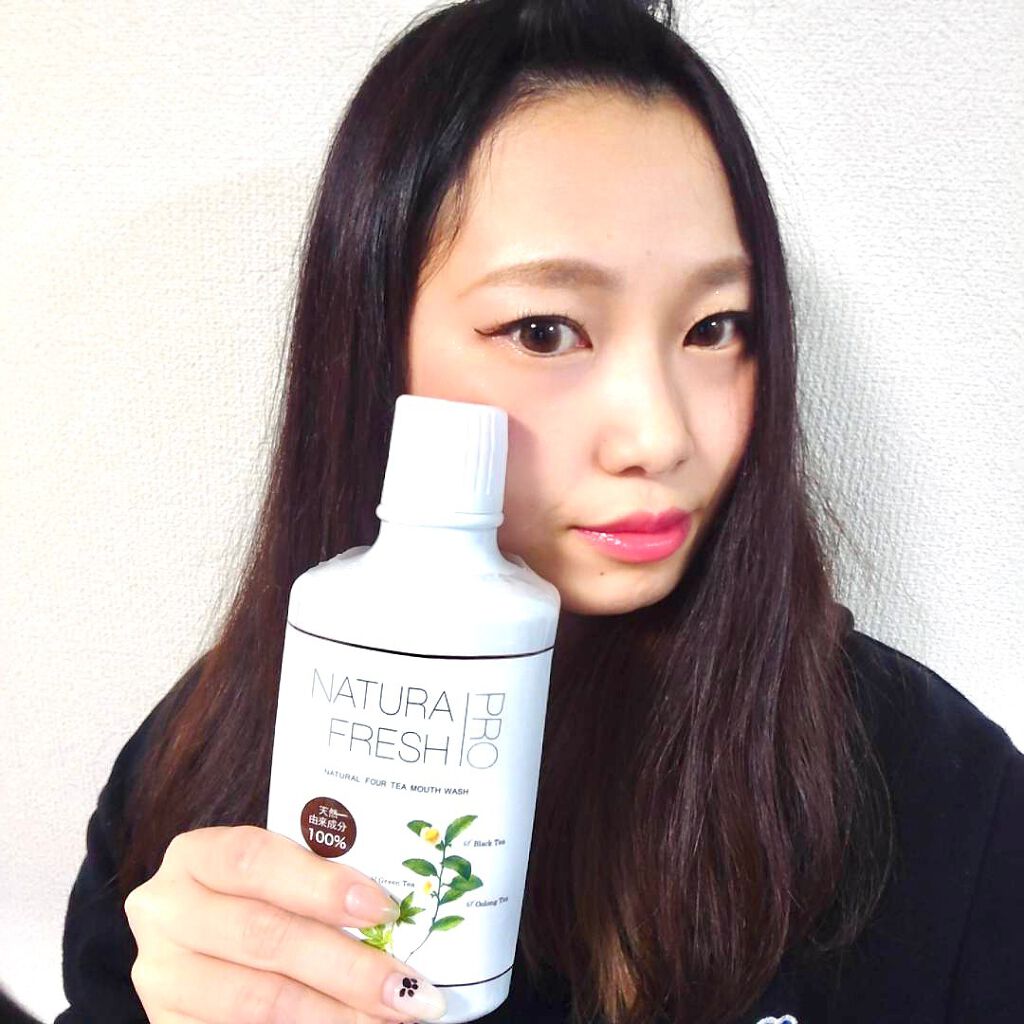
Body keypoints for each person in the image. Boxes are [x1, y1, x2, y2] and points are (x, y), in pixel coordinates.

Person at [56, 0, 1023, 1021]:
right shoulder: (205, 764)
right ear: (375, 350)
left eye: (714, 327)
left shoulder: (929, 785)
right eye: (544, 330)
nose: (658, 435)